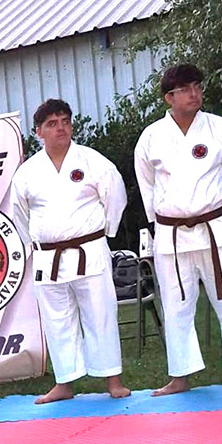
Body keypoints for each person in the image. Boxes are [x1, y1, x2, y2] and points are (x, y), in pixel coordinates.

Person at [134, 64, 222, 395]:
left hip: (214, 228)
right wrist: (161, 220)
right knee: (176, 304)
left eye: (197, 86)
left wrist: (217, 212)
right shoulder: (151, 137)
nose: (194, 93)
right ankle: (180, 376)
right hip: (172, 234)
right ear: (169, 98)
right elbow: (146, 185)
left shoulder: (220, 129)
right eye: (185, 89)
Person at [12, 98, 131, 404]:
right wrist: (34, 244)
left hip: (88, 249)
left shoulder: (93, 161)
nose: (61, 128)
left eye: (65, 121)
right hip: (48, 257)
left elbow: (115, 197)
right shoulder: (27, 172)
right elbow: (19, 214)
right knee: (57, 321)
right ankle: (65, 382)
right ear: (39, 131)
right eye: (52, 124)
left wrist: (104, 233)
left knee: (101, 315)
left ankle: (112, 379)